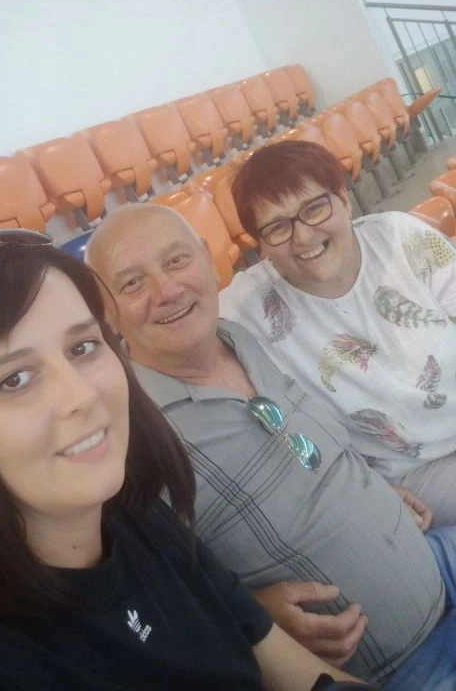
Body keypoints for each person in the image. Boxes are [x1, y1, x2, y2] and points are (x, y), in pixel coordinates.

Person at [0, 232, 367, 691]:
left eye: (83, 347)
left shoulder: (144, 521)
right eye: (14, 379)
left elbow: (303, 674)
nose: (81, 395)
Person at [86, 202, 456, 689]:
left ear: (207, 259)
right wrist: (247, 613)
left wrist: (373, 485)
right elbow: (144, 614)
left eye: (176, 260)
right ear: (105, 310)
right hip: (400, 665)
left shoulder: (239, 337)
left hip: (433, 558)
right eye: (133, 283)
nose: (167, 290)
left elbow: (303, 442)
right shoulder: (130, 441)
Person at [219, 140, 456, 527]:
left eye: (314, 208)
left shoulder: (401, 237)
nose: (303, 236)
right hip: (413, 470)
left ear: (343, 200)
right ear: (260, 245)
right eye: (277, 227)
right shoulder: (247, 311)